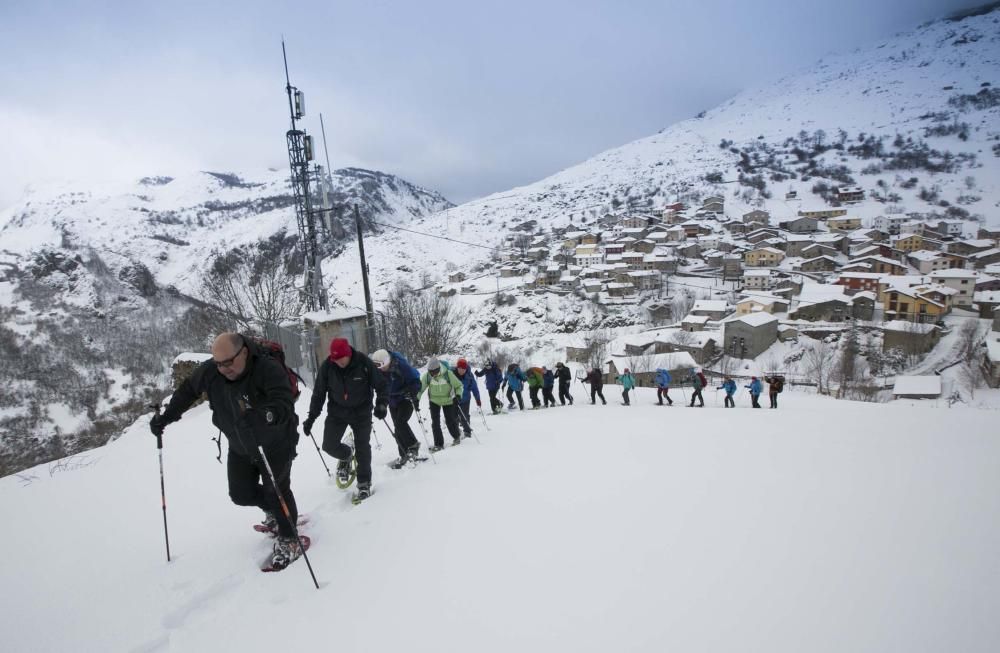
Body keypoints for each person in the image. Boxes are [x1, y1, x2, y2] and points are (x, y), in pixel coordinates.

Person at [149, 332, 303, 570]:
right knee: (240, 494)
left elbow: (283, 404)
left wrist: (264, 415)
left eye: (228, 362)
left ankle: (289, 537)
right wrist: (166, 417)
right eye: (218, 363)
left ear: (243, 352)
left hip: (274, 443)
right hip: (240, 445)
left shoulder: (267, 369)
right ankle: (275, 512)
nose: (223, 369)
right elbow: (188, 390)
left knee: (277, 492)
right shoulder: (212, 370)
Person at [303, 338, 387, 502]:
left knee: (363, 446)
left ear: (348, 354)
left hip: (361, 411)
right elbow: (319, 394)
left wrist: (382, 404)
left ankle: (364, 483)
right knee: (328, 445)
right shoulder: (328, 367)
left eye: (341, 359)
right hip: (337, 412)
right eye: (335, 359)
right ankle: (347, 454)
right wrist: (311, 418)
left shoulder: (363, 362)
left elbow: (381, 384)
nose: (338, 362)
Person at [370, 349, 422, 467]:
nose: (378, 368)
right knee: (397, 428)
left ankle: (413, 446)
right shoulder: (379, 372)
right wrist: (381, 405)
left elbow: (415, 379)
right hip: (392, 401)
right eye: (376, 365)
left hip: (405, 398)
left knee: (400, 423)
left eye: (380, 365)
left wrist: (413, 391)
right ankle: (404, 454)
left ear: (386, 362)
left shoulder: (400, 364)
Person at [417, 357, 464, 450]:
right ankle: (439, 444)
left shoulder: (448, 374)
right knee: (435, 423)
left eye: (434, 372)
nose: (432, 374)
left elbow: (459, 386)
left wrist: (458, 396)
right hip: (434, 401)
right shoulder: (427, 376)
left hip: (448, 401)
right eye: (430, 372)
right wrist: (416, 399)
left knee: (450, 421)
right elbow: (420, 389)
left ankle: (457, 437)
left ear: (438, 369)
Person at [454, 358, 481, 437]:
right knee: (454, 416)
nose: (461, 370)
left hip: (466, 399)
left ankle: (467, 431)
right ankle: (456, 431)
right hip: (454, 399)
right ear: (457, 368)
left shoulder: (469, 376)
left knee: (464, 416)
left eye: (463, 369)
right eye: (460, 368)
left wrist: (478, 399)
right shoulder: (452, 374)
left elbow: (474, 388)